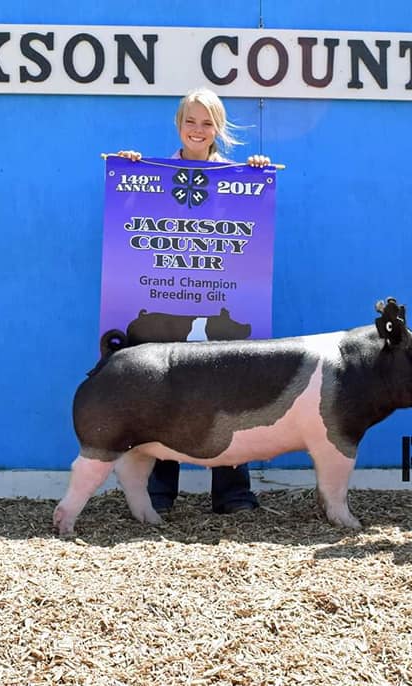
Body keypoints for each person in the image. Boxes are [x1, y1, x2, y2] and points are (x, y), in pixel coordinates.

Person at [116, 87, 270, 515]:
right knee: (166, 393)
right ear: (178, 125)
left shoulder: (239, 178)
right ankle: (159, 492)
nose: (197, 130)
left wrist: (256, 173)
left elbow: (249, 228)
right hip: (168, 304)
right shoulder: (154, 174)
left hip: (220, 302)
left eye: (207, 123)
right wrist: (128, 173)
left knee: (228, 393)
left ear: (218, 129)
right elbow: (130, 213)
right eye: (191, 121)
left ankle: (233, 493)